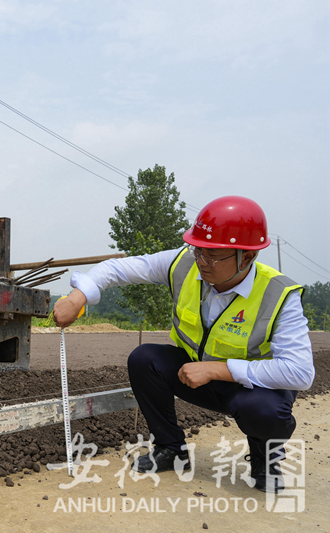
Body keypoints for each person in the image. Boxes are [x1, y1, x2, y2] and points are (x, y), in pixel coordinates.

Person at [53, 196, 314, 493]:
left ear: (248, 257)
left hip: (249, 388)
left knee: (266, 412)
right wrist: (78, 297)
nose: (201, 261)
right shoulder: (184, 263)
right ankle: (170, 448)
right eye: (198, 249)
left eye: (213, 255)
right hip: (193, 373)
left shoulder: (279, 295)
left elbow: (300, 373)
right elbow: (118, 269)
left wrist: (218, 369)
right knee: (144, 359)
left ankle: (266, 459)